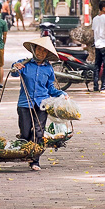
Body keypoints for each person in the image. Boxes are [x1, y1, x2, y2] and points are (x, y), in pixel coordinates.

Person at [11, 36, 68, 171]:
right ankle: (26, 144)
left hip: (42, 104)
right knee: (25, 133)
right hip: (25, 104)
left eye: (44, 51)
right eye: (39, 49)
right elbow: (13, 72)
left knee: (39, 132)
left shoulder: (48, 69)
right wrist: (15, 67)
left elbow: (51, 89)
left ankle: (34, 160)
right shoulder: (24, 63)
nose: (41, 52)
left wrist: (62, 94)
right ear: (33, 49)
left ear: (47, 54)